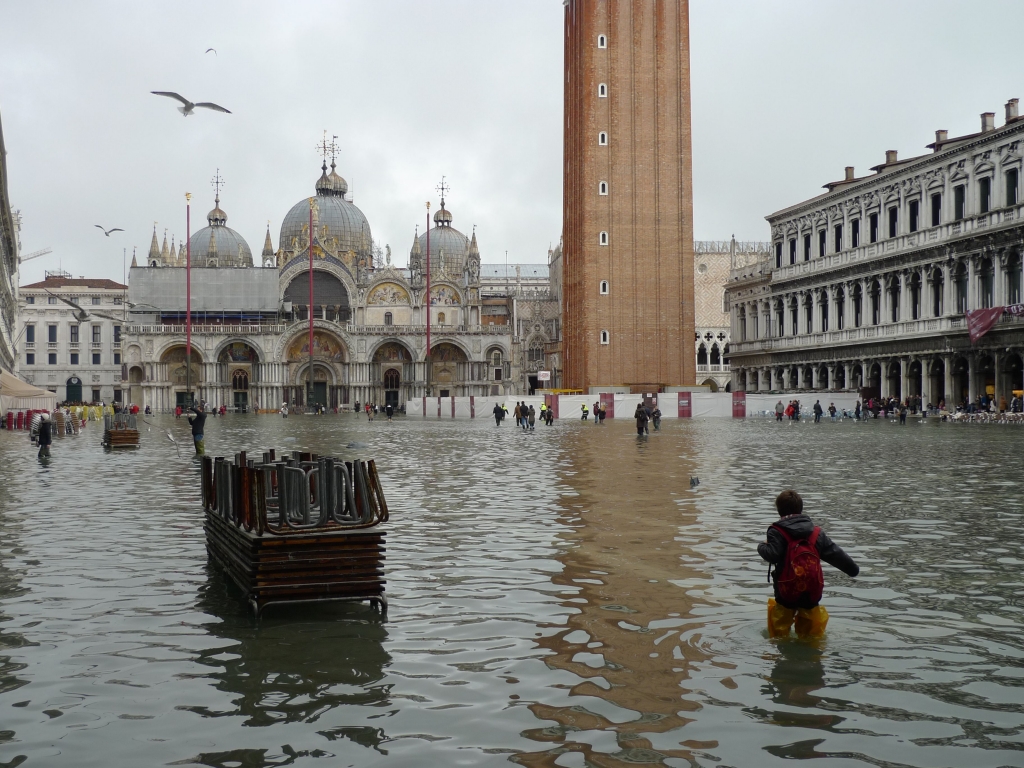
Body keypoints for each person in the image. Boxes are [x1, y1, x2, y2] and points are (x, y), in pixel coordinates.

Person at [758, 489, 859, 639]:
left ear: (779, 510)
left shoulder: (777, 531)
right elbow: (835, 554)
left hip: (786, 591)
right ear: (800, 509)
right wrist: (853, 570)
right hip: (811, 590)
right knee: (811, 637)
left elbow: (772, 555)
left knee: (779, 633)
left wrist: (761, 546)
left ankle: (781, 645)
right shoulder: (816, 533)